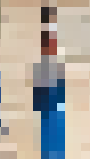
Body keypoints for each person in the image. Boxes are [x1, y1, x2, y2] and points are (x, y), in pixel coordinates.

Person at [32, 29, 67, 159]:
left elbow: (61, 86)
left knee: (57, 137)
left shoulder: (58, 66)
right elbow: (37, 89)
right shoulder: (39, 66)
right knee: (47, 138)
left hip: (55, 107)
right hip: (47, 108)